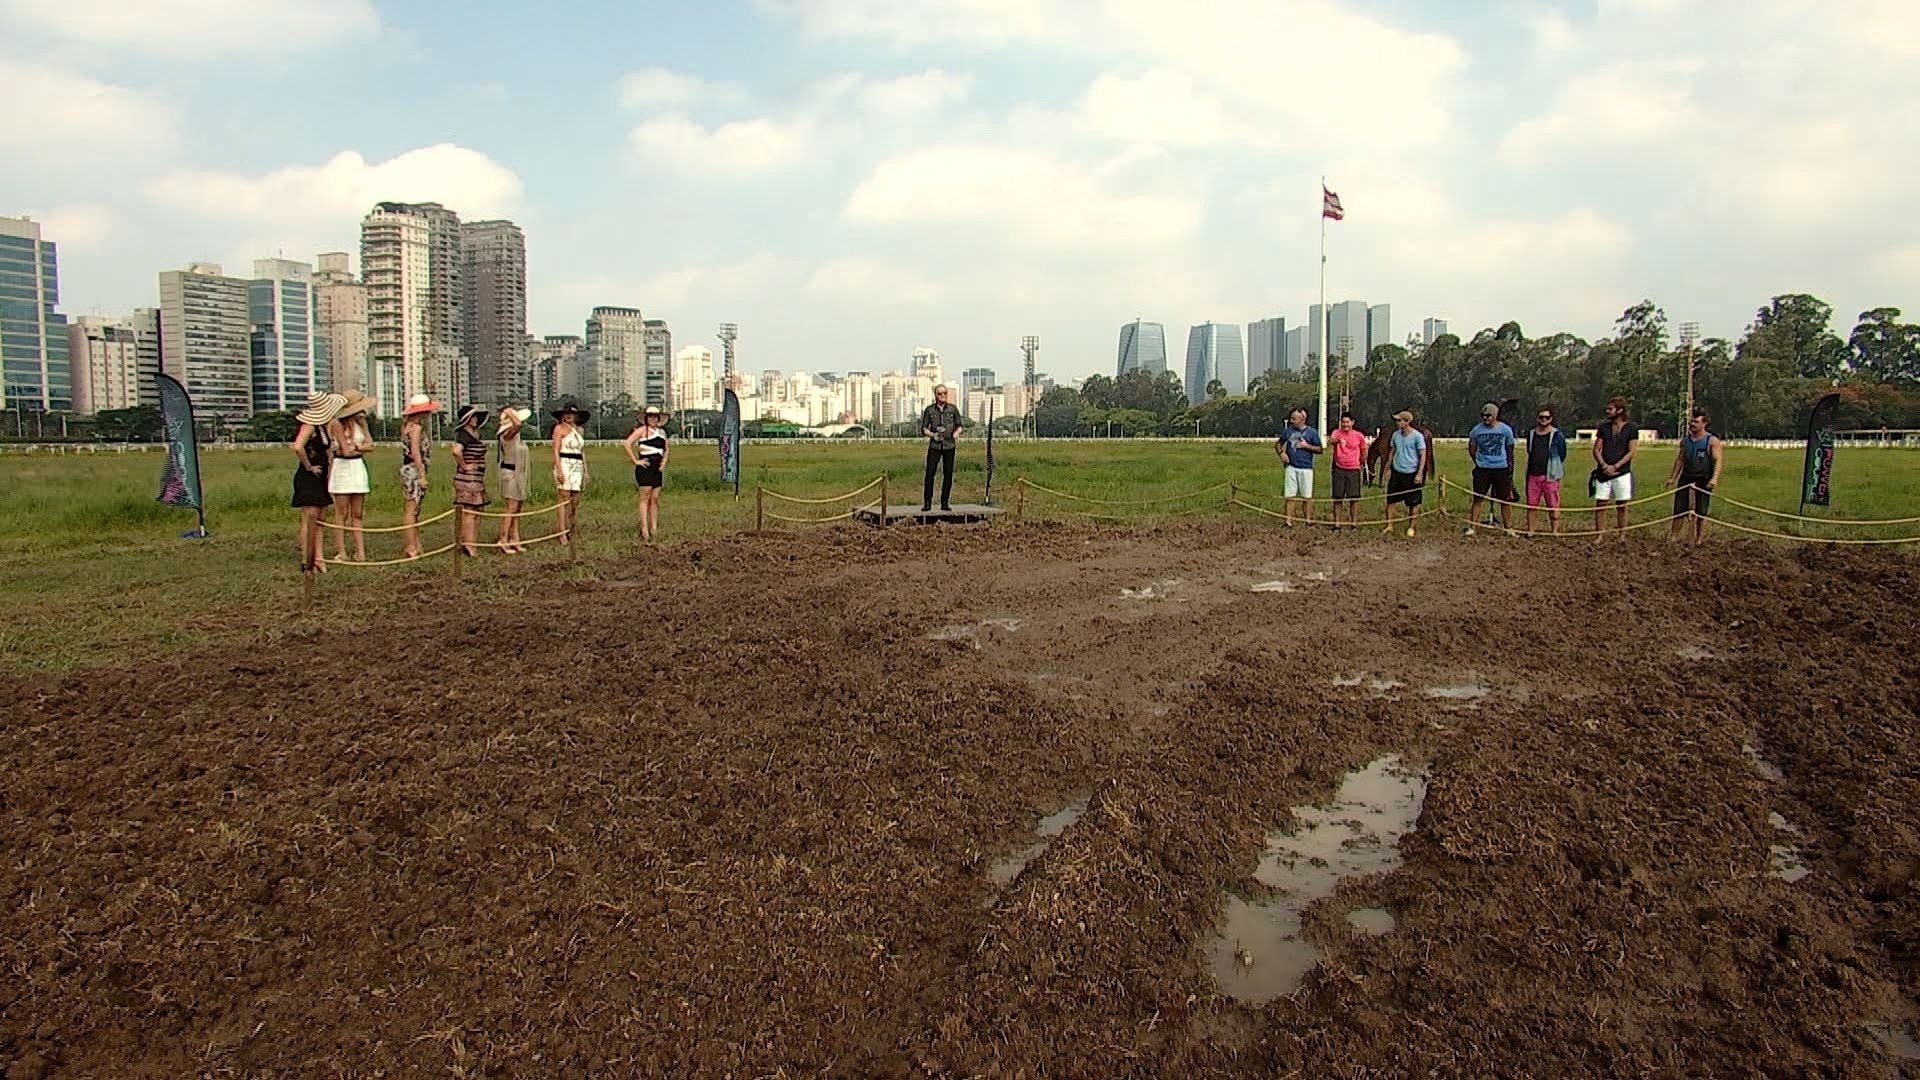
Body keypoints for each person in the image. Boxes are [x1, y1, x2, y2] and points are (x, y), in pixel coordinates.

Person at [291, 391, 346, 573]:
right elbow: (298, 446)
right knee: (310, 517)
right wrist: (309, 466)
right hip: (310, 476)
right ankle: (307, 560)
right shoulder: (309, 425)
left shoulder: (322, 426)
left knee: (321, 518)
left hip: (321, 476)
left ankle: (318, 557)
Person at [326, 391, 375, 562]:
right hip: (342, 467)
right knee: (341, 513)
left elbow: (370, 444)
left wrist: (359, 445)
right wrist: (359, 447)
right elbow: (344, 451)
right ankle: (341, 551)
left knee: (357, 513)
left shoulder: (359, 424)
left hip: (357, 466)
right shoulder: (336, 424)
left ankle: (360, 551)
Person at [1667, 408, 1724, 546]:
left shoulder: (1712, 441)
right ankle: (1673, 537)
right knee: (1679, 508)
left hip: (1704, 478)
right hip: (1687, 476)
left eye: (1696, 421)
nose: (1692, 424)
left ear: (1704, 424)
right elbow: (1680, 460)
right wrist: (1672, 478)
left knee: (1701, 510)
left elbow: (1718, 461)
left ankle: (1699, 539)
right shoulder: (1686, 441)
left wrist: (1714, 478)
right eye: (1691, 421)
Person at [1591, 396, 1639, 541]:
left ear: (1620, 410)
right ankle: (1599, 535)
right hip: (1603, 473)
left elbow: (1631, 451)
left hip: (1622, 473)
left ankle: (1622, 535)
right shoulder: (1603, 428)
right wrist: (1604, 465)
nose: (1607, 411)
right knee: (1601, 504)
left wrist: (1616, 466)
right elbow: (1596, 449)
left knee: (1622, 505)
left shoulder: (1632, 428)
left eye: (1610, 409)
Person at [1464, 402, 1517, 536]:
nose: (1486, 418)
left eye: (1489, 416)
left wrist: (1510, 468)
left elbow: (1510, 449)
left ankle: (1508, 527)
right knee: (1478, 498)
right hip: (1483, 469)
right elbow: (1472, 448)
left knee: (1505, 500)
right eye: (1483, 416)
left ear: (1495, 415)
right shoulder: (1476, 430)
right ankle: (1473, 527)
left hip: (1501, 468)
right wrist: (1478, 461)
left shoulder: (1505, 430)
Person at [397, 394, 438, 560]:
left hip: (407, 468)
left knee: (414, 509)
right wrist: (422, 475)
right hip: (414, 469)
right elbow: (416, 452)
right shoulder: (417, 429)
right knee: (411, 509)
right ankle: (411, 546)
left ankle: (415, 543)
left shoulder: (407, 426)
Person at [624, 405, 671, 541]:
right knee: (645, 497)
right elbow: (627, 443)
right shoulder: (641, 431)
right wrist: (635, 461)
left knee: (655, 498)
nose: (653, 419)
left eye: (655, 416)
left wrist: (663, 462)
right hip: (645, 465)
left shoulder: (662, 433)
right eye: (650, 416)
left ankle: (654, 528)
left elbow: (667, 448)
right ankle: (644, 528)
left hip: (657, 467)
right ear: (646, 418)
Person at [1521, 406, 1569, 536]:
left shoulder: (1557, 434)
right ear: (1537, 418)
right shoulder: (1531, 433)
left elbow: (1562, 453)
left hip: (1550, 475)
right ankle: (1531, 530)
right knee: (1531, 503)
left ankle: (1554, 530)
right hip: (1533, 474)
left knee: (1553, 503)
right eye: (1541, 417)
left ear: (1551, 419)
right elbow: (1529, 451)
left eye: (1546, 417)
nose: (1544, 420)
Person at [1382, 410, 1429, 537]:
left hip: (1411, 472)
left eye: (1399, 420)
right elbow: (1392, 452)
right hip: (1397, 472)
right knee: (1391, 500)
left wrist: (1419, 473)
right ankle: (1389, 525)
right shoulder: (1395, 435)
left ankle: (1411, 527)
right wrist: (1387, 468)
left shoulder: (1417, 437)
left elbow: (1423, 455)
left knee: (1413, 502)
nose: (1397, 423)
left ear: (1407, 422)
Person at [451, 405, 490, 556]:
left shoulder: (474, 433)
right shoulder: (463, 435)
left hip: (477, 477)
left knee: (476, 509)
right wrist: (465, 465)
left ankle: (469, 541)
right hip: (468, 478)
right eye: (472, 417)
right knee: (470, 511)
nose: (475, 420)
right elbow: (456, 451)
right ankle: (469, 545)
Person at [920, 384, 966, 512]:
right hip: (935, 445)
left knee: (948, 474)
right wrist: (932, 435)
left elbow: (960, 425)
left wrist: (957, 432)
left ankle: (945, 502)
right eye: (940, 393)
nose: (943, 395)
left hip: (949, 445)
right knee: (930, 474)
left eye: (945, 393)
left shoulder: (953, 409)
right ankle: (927, 502)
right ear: (935, 395)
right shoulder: (929, 410)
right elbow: (923, 428)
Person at [551, 402, 590, 545]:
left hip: (577, 465)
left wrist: (585, 470)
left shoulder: (580, 430)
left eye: (571, 414)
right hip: (564, 462)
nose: (568, 416)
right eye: (566, 414)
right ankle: (561, 532)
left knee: (575, 499)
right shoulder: (559, 429)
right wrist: (559, 469)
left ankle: (571, 525)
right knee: (564, 497)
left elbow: (582, 451)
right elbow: (555, 449)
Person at [1276, 407, 1323, 525]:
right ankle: (1288, 521)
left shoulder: (1312, 432)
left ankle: (1308, 521)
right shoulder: (1288, 431)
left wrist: (1306, 446)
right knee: (1290, 495)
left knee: (1307, 496)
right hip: (1291, 467)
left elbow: (1319, 449)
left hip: (1306, 468)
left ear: (1302, 419)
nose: (1291, 421)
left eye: (1294, 418)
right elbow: (1278, 443)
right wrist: (1282, 453)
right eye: (1291, 418)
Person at [495, 406, 532, 554]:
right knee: (511, 507)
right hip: (510, 473)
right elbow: (517, 424)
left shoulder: (516, 437)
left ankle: (514, 538)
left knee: (517, 508)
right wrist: (510, 412)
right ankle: (502, 539)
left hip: (518, 474)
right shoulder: (507, 435)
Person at [1326, 412, 1370, 527]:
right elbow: (1330, 441)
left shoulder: (1359, 436)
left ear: (1352, 423)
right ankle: (1337, 523)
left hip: (1354, 469)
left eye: (1347, 422)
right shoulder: (1336, 432)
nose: (1345, 424)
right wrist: (1337, 441)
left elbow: (1364, 451)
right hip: (1339, 468)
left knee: (1354, 498)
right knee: (1337, 497)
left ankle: (1354, 523)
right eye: (1343, 422)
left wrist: (1360, 462)